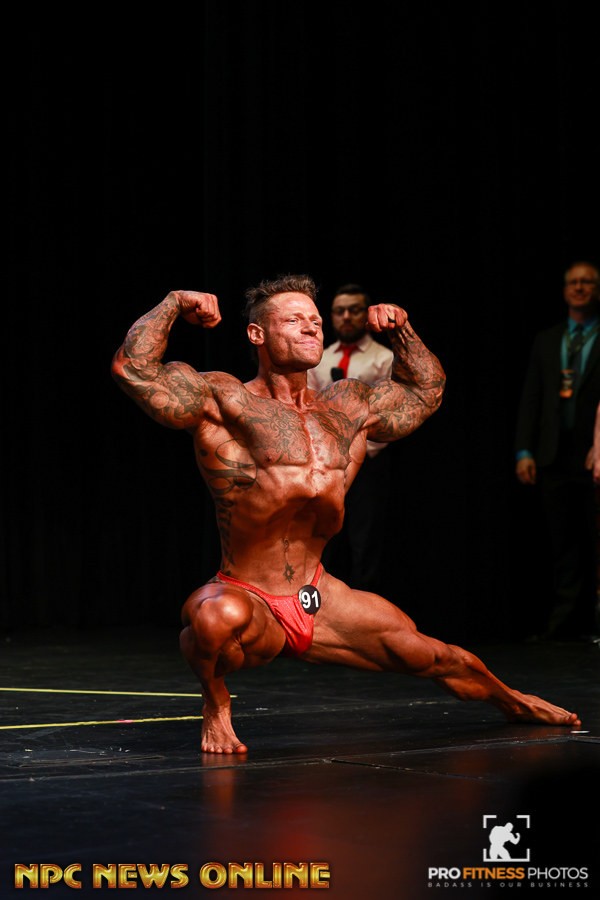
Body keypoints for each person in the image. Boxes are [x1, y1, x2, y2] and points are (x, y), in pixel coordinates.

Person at [112, 273, 580, 754]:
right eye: (293, 320)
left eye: (315, 321)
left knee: (438, 657)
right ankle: (216, 703)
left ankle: (512, 701)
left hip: (319, 594)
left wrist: (402, 331)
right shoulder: (224, 399)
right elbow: (134, 368)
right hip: (248, 594)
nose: (310, 327)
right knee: (213, 618)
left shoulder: (347, 406)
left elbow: (426, 391)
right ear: (257, 334)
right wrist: (173, 303)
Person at [515, 261, 600, 642]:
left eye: (587, 282)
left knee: (595, 538)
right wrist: (524, 450)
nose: (579, 288)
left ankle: (595, 621)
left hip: (593, 452)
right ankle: (564, 624)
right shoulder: (548, 340)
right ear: (565, 290)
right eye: (573, 282)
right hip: (553, 452)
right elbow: (532, 397)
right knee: (562, 541)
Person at [307, 283, 394, 593]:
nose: (346, 317)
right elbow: (308, 406)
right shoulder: (319, 357)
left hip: (368, 462)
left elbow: (386, 413)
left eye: (354, 310)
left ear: (366, 316)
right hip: (324, 462)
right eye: (339, 311)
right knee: (323, 537)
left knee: (365, 538)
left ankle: (365, 605)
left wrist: (361, 451)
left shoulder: (383, 358)